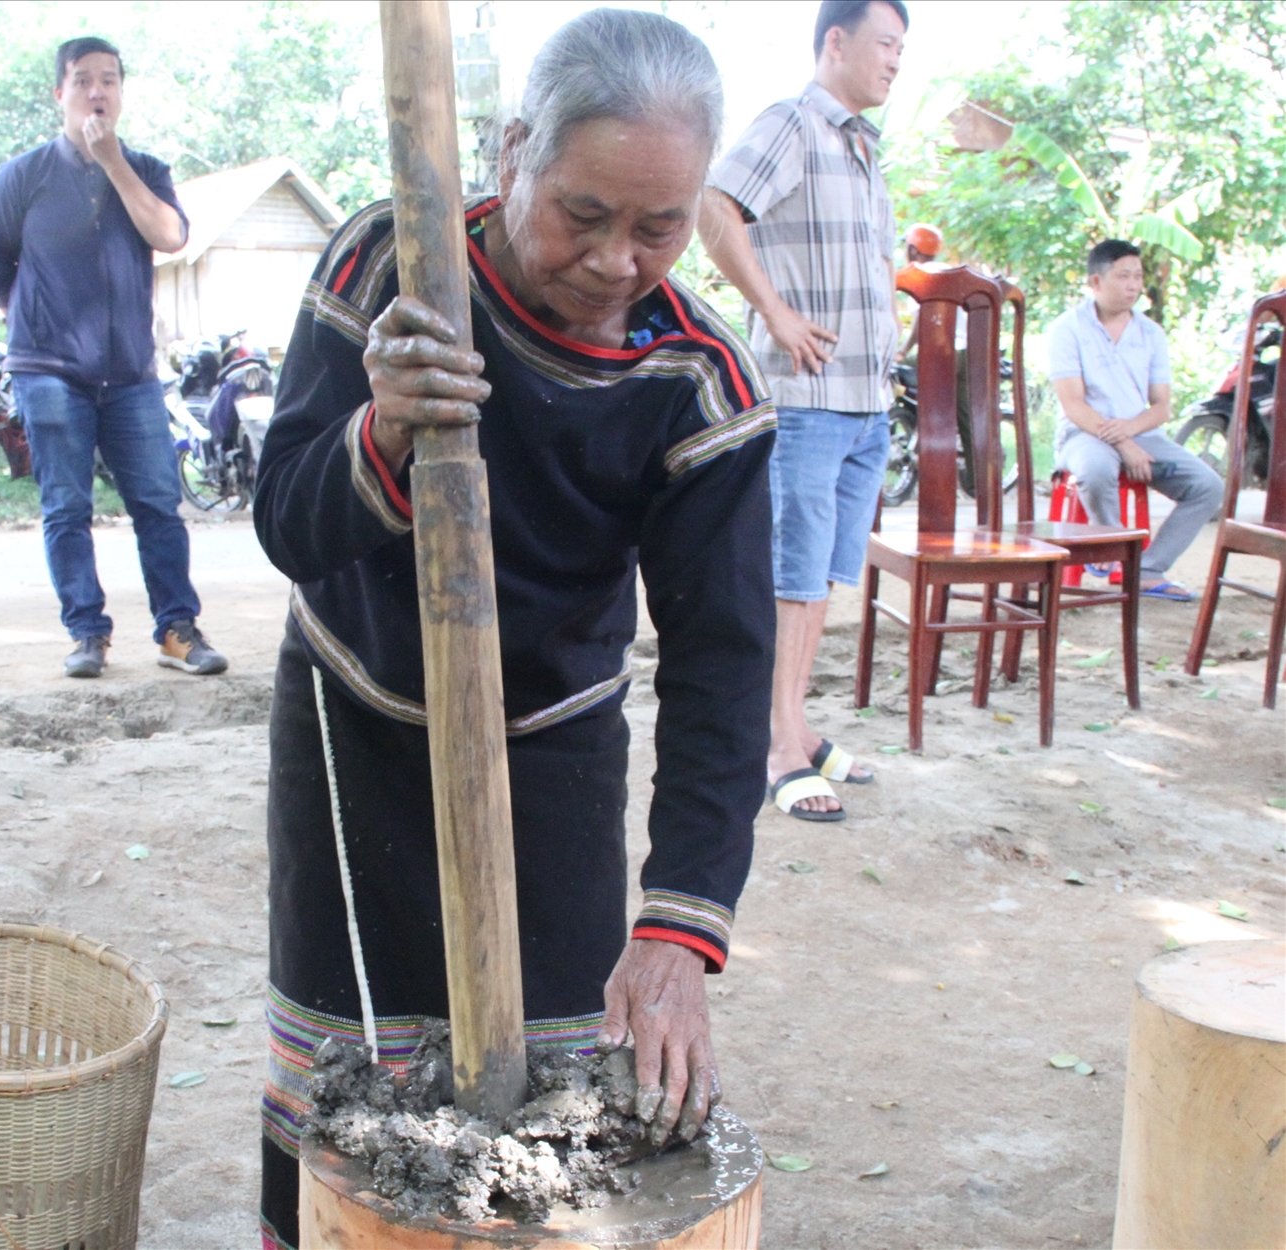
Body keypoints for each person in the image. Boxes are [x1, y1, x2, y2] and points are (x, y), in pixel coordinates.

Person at [251, 10, 775, 1247]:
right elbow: (286, 521)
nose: (615, 260)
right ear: (508, 156)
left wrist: (680, 928)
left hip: (552, 749)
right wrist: (379, 430)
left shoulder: (700, 385)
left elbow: (722, 668)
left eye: (659, 226)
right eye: (583, 214)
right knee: (338, 1084)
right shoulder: (390, 268)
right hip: (356, 715)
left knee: (549, 1112)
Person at [699, 0, 907, 822]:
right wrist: (777, 313)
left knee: (822, 575)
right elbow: (715, 207)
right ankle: (779, 746)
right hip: (808, 399)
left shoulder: (864, 151)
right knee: (791, 578)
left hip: (863, 402)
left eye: (902, 48)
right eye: (885, 44)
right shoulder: (792, 123)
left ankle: (796, 722)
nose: (895, 61)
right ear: (836, 42)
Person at [0, 36, 227, 678]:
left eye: (109, 80)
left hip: (133, 376)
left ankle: (177, 629)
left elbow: (170, 237)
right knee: (66, 507)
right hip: (48, 374)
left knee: (157, 504)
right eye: (83, 80)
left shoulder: (144, 168)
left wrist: (114, 163)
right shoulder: (22, 177)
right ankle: (87, 633)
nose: (97, 92)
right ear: (59, 92)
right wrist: (39, 329)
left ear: (121, 92)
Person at [1049, 239, 1223, 601]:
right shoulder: (1067, 328)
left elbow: (1161, 407)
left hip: (1141, 433)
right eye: (1123, 276)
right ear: (1095, 282)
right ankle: (1107, 544)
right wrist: (1123, 443)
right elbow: (1073, 404)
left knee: (1208, 485)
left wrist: (1130, 432)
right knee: (1096, 469)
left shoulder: (1151, 334)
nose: (1133, 285)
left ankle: (1147, 569)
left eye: (1137, 277)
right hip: (1084, 433)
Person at [898, 222, 975, 489]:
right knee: (966, 417)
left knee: (899, 372)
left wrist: (903, 351)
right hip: (966, 354)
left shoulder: (918, 274)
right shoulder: (949, 271)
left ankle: (917, 432)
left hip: (939, 355)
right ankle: (977, 482)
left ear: (911, 249)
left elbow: (920, 325)